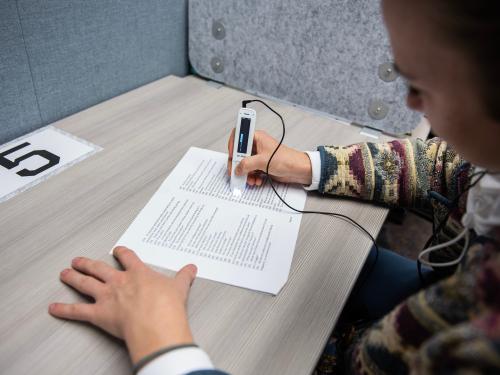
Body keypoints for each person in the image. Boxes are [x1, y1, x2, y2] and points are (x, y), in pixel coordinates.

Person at [49, 0, 500, 373]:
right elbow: (441, 165)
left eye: (419, 85)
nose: (409, 104)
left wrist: (164, 346)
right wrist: (307, 165)